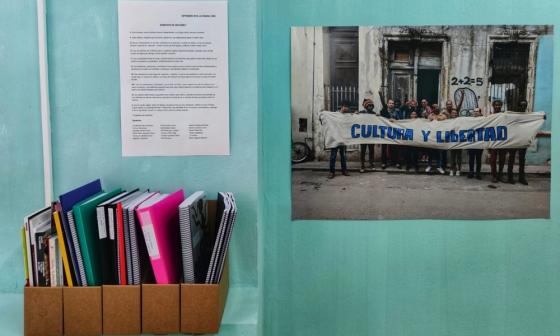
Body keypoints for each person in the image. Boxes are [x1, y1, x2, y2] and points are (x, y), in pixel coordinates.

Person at [506, 99, 529, 185]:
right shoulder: (513, 116)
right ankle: (510, 176)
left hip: (523, 139)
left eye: (524, 105)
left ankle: (521, 177)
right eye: (521, 105)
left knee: (522, 160)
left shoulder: (528, 116)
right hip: (514, 140)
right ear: (518, 106)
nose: (523, 107)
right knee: (511, 158)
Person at [378, 90, 401, 169]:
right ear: (387, 104)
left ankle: (395, 162)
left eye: (392, 103)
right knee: (384, 147)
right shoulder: (383, 111)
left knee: (395, 147)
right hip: (385, 131)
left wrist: (394, 120)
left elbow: (400, 120)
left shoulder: (397, 111)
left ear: (394, 105)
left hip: (394, 131)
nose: (391, 104)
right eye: (390, 103)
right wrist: (380, 94)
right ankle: (384, 162)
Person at [328, 101, 351, 179]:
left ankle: (344, 170)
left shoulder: (347, 116)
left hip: (343, 139)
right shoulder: (334, 115)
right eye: (346, 107)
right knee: (333, 156)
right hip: (335, 139)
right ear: (342, 106)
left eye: (348, 107)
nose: (347, 109)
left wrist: (355, 114)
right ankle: (331, 172)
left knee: (343, 156)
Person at [489, 100, 507, 183]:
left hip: (502, 140)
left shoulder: (505, 116)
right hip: (493, 141)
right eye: (496, 105)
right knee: (493, 159)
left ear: (501, 106)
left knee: (502, 159)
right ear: (493, 106)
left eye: (499, 105)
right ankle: (494, 175)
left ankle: (500, 174)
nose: (497, 106)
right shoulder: (490, 117)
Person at [425, 105, 447, 174]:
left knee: (439, 153)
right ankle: (429, 165)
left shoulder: (443, 116)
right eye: (434, 108)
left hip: (439, 137)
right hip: (432, 136)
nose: (436, 109)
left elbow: (447, 124)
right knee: (430, 153)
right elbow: (427, 124)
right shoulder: (430, 116)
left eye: (437, 108)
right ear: (432, 109)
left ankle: (439, 166)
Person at [357, 98, 375, 173]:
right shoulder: (361, 113)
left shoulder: (374, 114)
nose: (370, 107)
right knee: (363, 151)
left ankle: (371, 163)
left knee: (371, 150)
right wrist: (355, 114)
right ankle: (362, 165)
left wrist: (378, 117)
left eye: (371, 106)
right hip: (363, 135)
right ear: (366, 106)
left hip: (371, 135)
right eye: (369, 106)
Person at [467, 107, 484, 179]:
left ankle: (478, 173)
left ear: (480, 113)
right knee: (471, 158)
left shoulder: (484, 120)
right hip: (471, 142)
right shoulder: (470, 120)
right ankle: (471, 172)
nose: (475, 113)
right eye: (474, 111)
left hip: (480, 142)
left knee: (478, 159)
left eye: (477, 111)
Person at [448, 108, 462, 176]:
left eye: (455, 113)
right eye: (453, 113)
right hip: (452, 141)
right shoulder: (448, 121)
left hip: (459, 141)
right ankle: (452, 169)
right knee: (452, 157)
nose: (454, 114)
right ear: (451, 114)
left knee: (459, 157)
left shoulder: (460, 121)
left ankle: (458, 170)